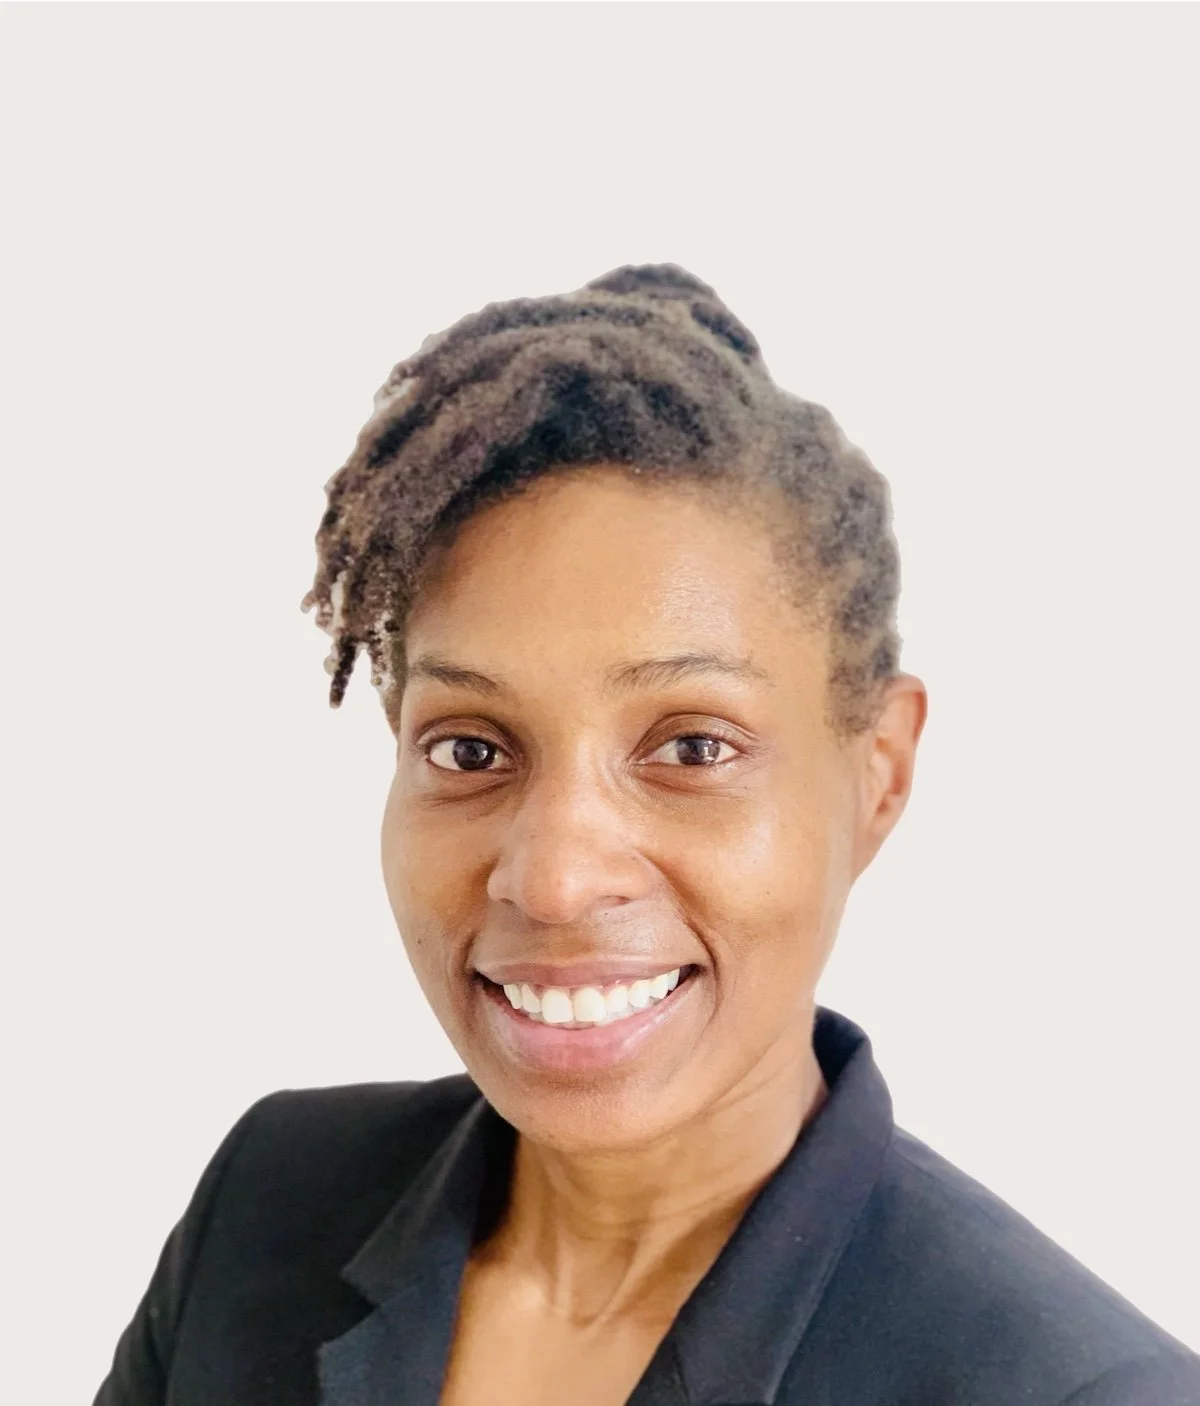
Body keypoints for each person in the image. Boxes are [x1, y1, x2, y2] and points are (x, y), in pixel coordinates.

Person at [93, 264, 1200, 1406]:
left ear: (878, 774)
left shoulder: (1078, 1388)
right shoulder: (271, 1204)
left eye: (692, 747)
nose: (557, 877)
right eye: (472, 748)